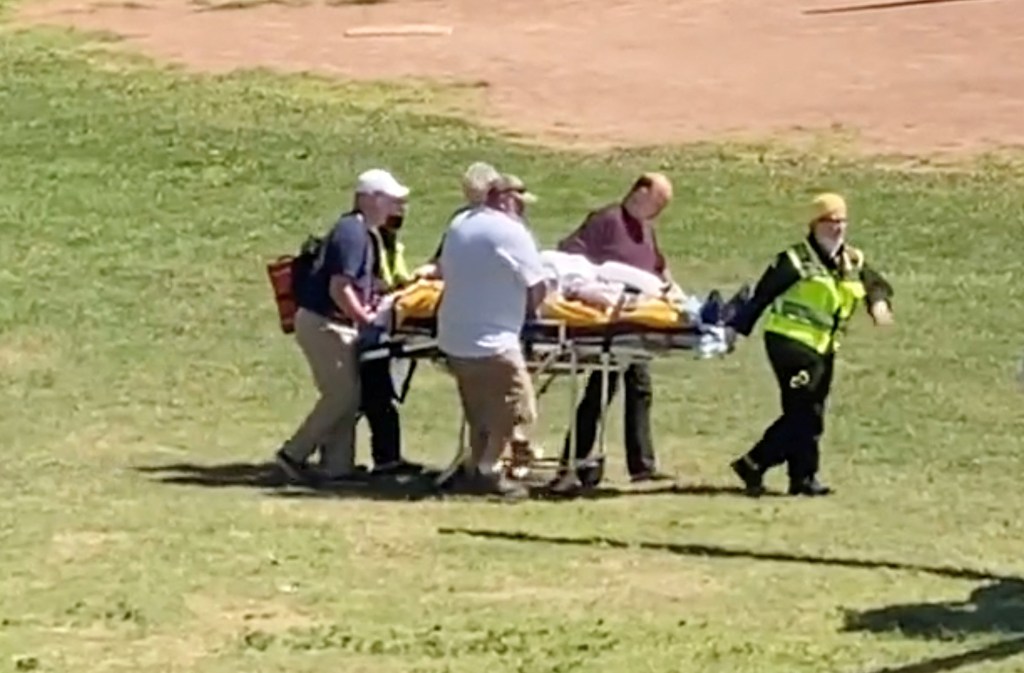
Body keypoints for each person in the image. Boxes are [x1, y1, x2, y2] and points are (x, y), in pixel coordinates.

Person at [727, 193, 895, 497]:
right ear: (815, 224)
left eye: (842, 221)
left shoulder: (852, 260)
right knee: (805, 411)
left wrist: (878, 304)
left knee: (810, 411)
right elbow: (762, 296)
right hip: (790, 343)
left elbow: (876, 284)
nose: (837, 228)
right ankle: (756, 461)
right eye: (830, 221)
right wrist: (736, 332)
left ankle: (801, 478)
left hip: (824, 347)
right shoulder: (795, 260)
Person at [274, 168, 410, 485]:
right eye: (390, 200)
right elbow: (340, 287)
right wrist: (366, 319)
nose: (395, 208)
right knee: (342, 396)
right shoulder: (352, 232)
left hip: (333, 323)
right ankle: (293, 454)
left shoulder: (361, 231)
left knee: (347, 395)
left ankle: (338, 467)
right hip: (325, 323)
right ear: (368, 199)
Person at [553, 172, 678, 488]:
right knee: (600, 390)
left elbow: (658, 267)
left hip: (639, 317)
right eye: (659, 201)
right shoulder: (606, 220)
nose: (661, 209)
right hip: (607, 319)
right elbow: (569, 253)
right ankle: (576, 460)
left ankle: (641, 465)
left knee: (639, 386)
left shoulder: (647, 230)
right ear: (640, 192)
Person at [436, 175, 549, 498]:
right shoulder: (511, 231)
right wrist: (531, 316)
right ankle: (490, 470)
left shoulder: (460, 223)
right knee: (517, 407)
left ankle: (477, 464)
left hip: (455, 335)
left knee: (479, 409)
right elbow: (537, 285)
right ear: (507, 199)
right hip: (493, 339)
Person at [358, 209, 424, 477]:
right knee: (374, 398)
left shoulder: (389, 243)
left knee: (379, 398)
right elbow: (379, 282)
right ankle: (385, 459)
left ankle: (387, 457)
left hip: (381, 326)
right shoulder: (371, 242)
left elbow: (397, 278)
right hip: (371, 328)